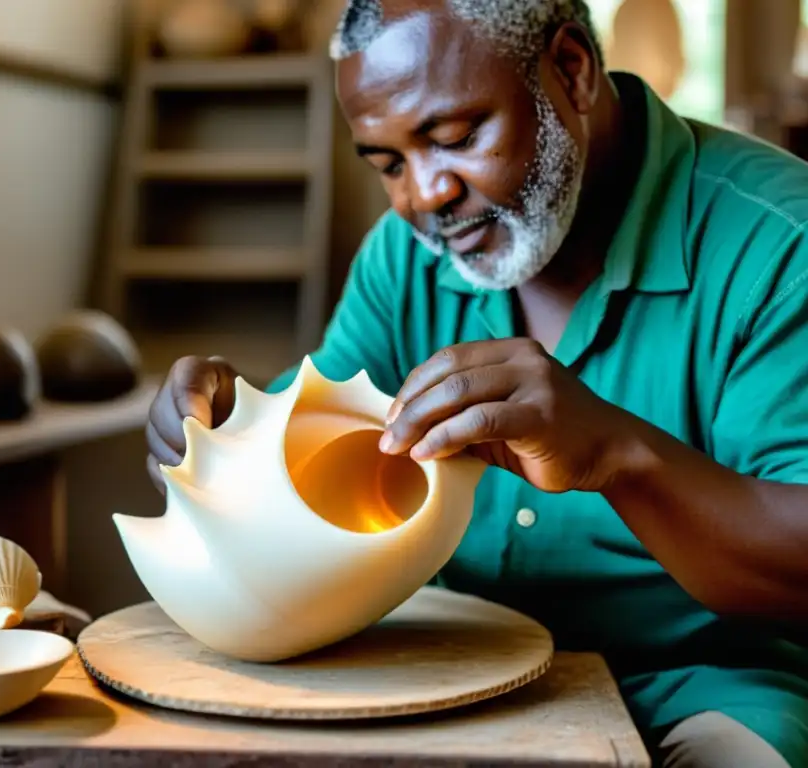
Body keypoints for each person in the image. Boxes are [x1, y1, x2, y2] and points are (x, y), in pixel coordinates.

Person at [144, 1, 808, 765]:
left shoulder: (780, 246)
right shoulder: (402, 260)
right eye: (389, 163)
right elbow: (310, 474)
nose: (423, 196)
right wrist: (222, 443)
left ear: (571, 70)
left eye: (455, 138)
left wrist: (622, 454)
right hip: (445, 678)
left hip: (703, 693)